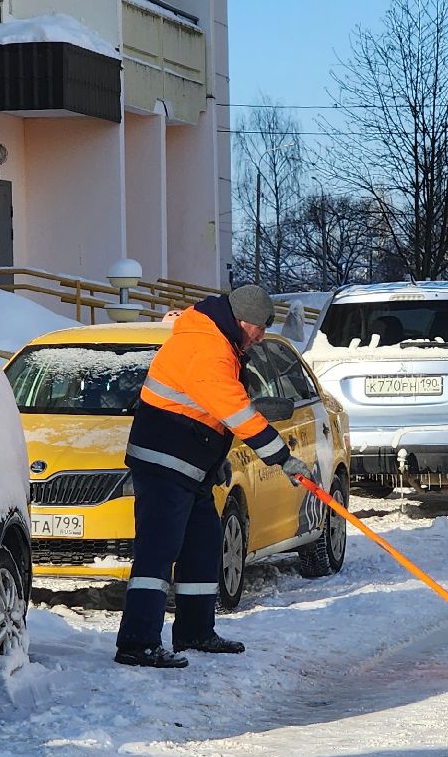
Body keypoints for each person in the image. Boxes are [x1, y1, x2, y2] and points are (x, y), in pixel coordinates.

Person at [115, 285, 313, 668]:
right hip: (164, 461)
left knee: (203, 545)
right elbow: (235, 411)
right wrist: (283, 458)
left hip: (192, 463)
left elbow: (207, 412)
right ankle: (137, 643)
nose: (259, 337)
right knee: (158, 554)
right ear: (241, 320)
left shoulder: (220, 340)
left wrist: (213, 456)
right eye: (259, 328)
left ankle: (194, 631)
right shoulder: (208, 348)